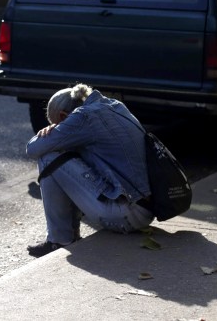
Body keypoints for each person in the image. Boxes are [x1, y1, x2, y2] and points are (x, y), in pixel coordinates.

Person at [24, 83, 154, 258]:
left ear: (63, 116)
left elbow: (33, 149)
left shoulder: (82, 117)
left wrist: (53, 133)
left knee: (48, 157)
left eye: (58, 124)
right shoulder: (113, 105)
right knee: (71, 153)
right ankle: (67, 234)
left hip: (127, 215)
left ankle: (60, 239)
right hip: (146, 209)